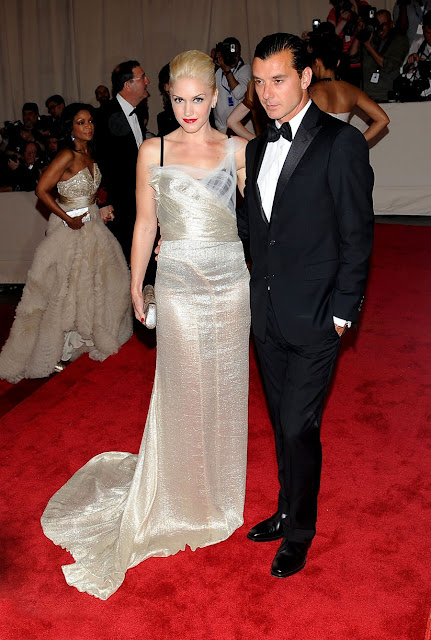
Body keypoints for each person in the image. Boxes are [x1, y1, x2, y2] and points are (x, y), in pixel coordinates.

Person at [40, 50, 250, 600]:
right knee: (182, 386)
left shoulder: (237, 150)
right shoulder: (152, 151)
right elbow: (145, 224)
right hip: (177, 279)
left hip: (231, 281)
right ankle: (175, 489)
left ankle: (217, 490)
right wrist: (136, 284)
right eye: (178, 99)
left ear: (215, 96)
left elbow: (262, 218)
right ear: (167, 98)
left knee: (226, 387)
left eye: (198, 98)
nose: (188, 109)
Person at [238, 33, 374, 578]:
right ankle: (285, 507)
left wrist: (343, 312)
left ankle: (299, 531)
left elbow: (357, 235)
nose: (266, 93)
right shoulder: (254, 148)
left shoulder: (342, 143)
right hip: (266, 313)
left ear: (305, 78)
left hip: (318, 314)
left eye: (278, 80)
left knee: (298, 426)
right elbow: (253, 229)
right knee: (280, 422)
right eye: (259, 82)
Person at [0, 103, 132, 383]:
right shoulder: (66, 155)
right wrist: (67, 219)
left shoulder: (89, 154)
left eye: (90, 121)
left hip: (92, 228)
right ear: (70, 128)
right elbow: (41, 190)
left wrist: (101, 208)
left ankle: (83, 341)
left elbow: (89, 192)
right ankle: (57, 351)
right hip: (70, 231)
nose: (88, 126)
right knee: (65, 290)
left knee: (97, 285)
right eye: (81, 122)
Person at [96, 60, 150, 262]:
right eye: (142, 77)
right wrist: (103, 201)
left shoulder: (138, 112)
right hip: (117, 204)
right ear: (128, 85)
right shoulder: (105, 114)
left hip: (138, 199)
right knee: (121, 259)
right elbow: (98, 160)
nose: (147, 81)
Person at [308, 35, 390, 141]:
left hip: (319, 149)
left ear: (317, 62)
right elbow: (383, 119)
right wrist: (357, 142)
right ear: (338, 63)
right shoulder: (352, 90)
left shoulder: (310, 92)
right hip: (343, 149)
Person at [362, 9, 409, 101]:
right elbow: (353, 57)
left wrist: (369, 47)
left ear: (391, 24)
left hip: (385, 95)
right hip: (366, 95)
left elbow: (389, 65)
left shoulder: (399, 40)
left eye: (383, 24)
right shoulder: (372, 39)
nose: (380, 28)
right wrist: (361, 33)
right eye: (377, 24)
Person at [213, 37, 252, 132]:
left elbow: (238, 93)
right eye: (229, 53)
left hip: (241, 126)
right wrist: (212, 61)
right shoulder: (217, 70)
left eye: (236, 54)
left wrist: (227, 70)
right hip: (221, 127)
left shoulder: (244, 68)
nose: (233, 57)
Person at [401, 9, 431, 97]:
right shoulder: (418, 44)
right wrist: (410, 64)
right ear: (423, 30)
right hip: (420, 94)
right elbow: (403, 72)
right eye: (428, 33)